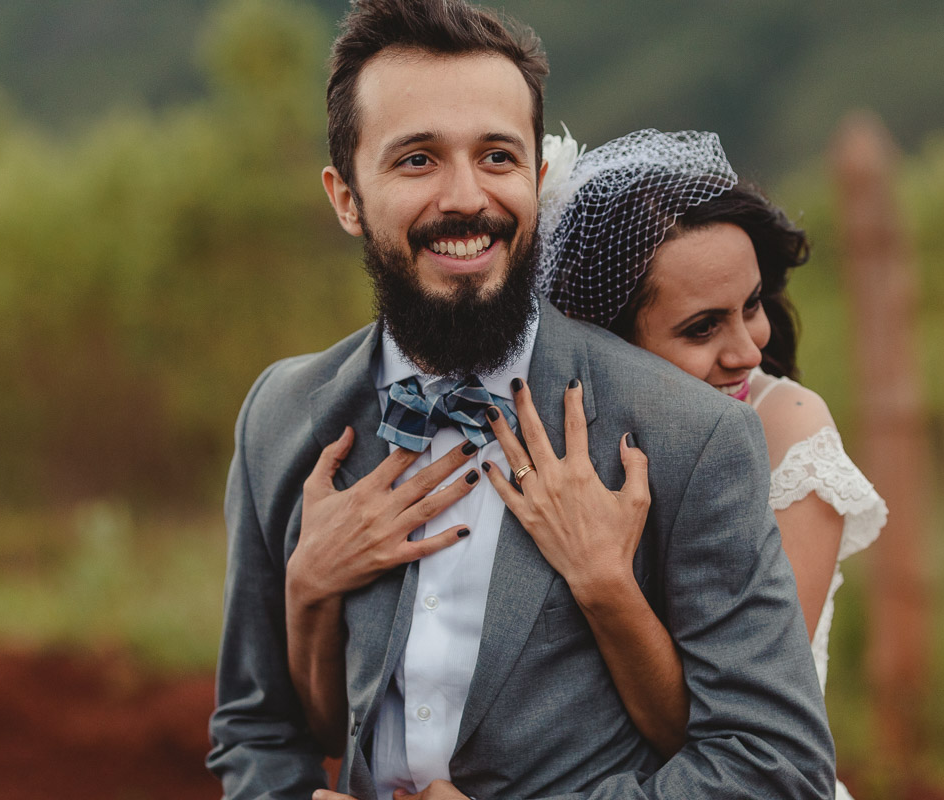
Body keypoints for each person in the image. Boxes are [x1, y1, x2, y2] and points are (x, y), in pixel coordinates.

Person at [207, 2, 836, 799]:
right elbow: (255, 732)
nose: (466, 196)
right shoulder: (280, 416)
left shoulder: (692, 435)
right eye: (417, 161)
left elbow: (773, 771)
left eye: (497, 157)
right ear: (346, 196)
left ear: (537, 180)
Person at [500, 127, 885, 798]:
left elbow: (739, 733)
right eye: (702, 327)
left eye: (752, 306)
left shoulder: (787, 431)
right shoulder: (552, 446)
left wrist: (605, 582)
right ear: (604, 338)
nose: (747, 351)